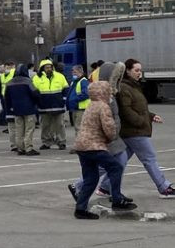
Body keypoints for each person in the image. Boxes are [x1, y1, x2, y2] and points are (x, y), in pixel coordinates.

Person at [72, 81, 137, 219]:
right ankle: (117, 199)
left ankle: (80, 208)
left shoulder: (91, 104)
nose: (111, 94)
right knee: (116, 168)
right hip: (94, 146)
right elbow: (109, 128)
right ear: (104, 92)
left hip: (82, 146)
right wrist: (112, 137)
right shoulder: (103, 106)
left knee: (91, 178)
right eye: (109, 91)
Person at [111, 58, 174, 197]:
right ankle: (164, 188)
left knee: (118, 161)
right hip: (134, 131)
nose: (140, 73)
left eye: (140, 70)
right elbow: (126, 110)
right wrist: (141, 121)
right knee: (149, 158)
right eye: (136, 70)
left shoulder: (133, 86)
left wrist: (150, 116)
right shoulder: (125, 88)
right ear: (127, 71)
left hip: (132, 131)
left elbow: (138, 108)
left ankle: (104, 187)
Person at [69, 62, 130, 201]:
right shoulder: (104, 96)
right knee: (114, 164)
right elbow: (107, 120)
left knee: (118, 162)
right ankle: (111, 194)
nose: (120, 78)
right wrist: (111, 135)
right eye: (117, 75)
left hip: (110, 137)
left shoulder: (111, 94)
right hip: (106, 138)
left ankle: (111, 191)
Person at [33, 59, 69, 150]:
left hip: (58, 105)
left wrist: (63, 100)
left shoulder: (60, 76)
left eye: (50, 67)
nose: (49, 69)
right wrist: (38, 102)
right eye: (46, 67)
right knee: (45, 125)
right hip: (44, 106)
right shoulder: (36, 78)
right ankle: (46, 142)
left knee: (60, 125)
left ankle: (61, 142)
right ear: (42, 68)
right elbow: (34, 92)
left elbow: (65, 89)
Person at [5, 65, 40, 156]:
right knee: (29, 129)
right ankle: (28, 148)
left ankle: (20, 148)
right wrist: (35, 103)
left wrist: (10, 108)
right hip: (28, 109)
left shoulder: (9, 83)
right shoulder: (28, 82)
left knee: (19, 130)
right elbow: (35, 94)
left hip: (16, 109)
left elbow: (6, 98)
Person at [67, 65, 90, 144]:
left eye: (74, 72)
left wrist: (74, 99)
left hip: (81, 108)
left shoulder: (83, 81)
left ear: (80, 72)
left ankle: (80, 145)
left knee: (79, 128)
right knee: (78, 127)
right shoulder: (75, 81)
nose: (73, 73)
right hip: (76, 107)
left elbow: (86, 94)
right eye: (72, 71)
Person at [0, 61, 17, 150]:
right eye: (6, 67)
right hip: (4, 96)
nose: (7, 68)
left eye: (9, 67)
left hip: (11, 96)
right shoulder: (2, 76)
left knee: (11, 116)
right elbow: (0, 86)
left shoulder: (13, 73)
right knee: (7, 113)